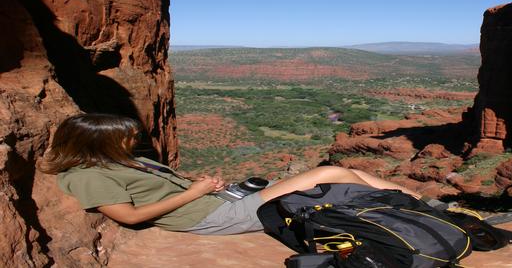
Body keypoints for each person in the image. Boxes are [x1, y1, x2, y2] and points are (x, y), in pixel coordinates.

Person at [39, 113, 425, 235]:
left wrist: (200, 183)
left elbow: (159, 183)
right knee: (334, 176)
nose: (133, 142)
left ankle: (414, 202)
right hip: (210, 216)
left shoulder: (118, 162)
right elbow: (132, 216)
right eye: (126, 138)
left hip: (217, 199)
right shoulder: (90, 175)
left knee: (343, 172)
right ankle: (412, 212)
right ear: (96, 144)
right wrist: (197, 193)